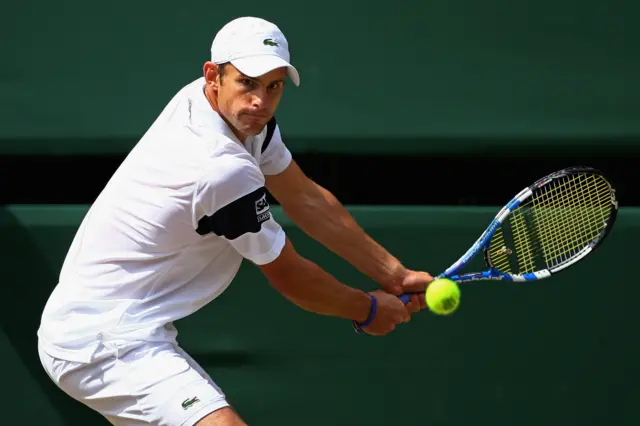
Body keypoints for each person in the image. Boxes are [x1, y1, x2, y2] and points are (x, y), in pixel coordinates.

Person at [36, 16, 434, 426]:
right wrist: (367, 310)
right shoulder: (220, 168)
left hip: (115, 327)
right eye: (247, 82)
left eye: (273, 86)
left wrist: (394, 274)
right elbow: (289, 276)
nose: (261, 101)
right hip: (104, 342)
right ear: (214, 76)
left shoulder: (222, 110)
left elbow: (306, 199)